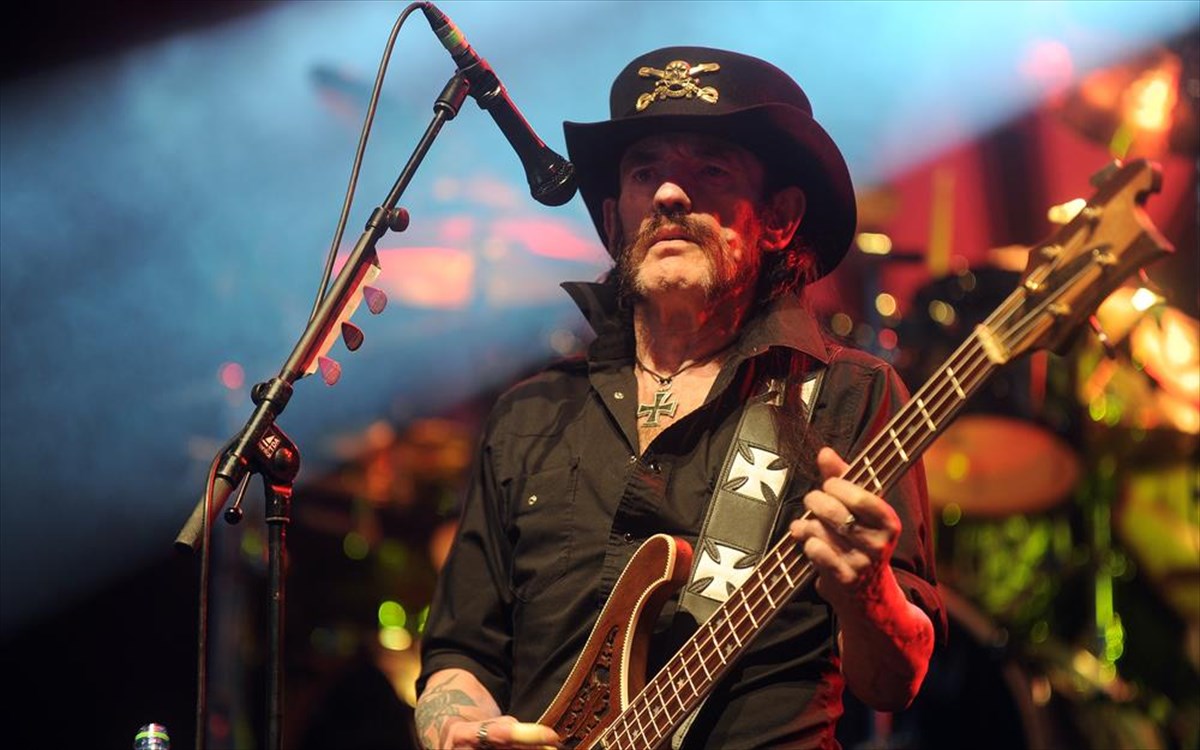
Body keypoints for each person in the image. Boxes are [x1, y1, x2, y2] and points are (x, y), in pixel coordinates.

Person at [415, 46, 945, 749]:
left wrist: (868, 592)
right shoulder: (531, 414)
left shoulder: (848, 395)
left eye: (711, 170)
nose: (669, 193)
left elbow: (894, 683)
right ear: (615, 221)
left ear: (779, 219)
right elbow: (461, 654)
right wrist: (459, 729)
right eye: (645, 172)